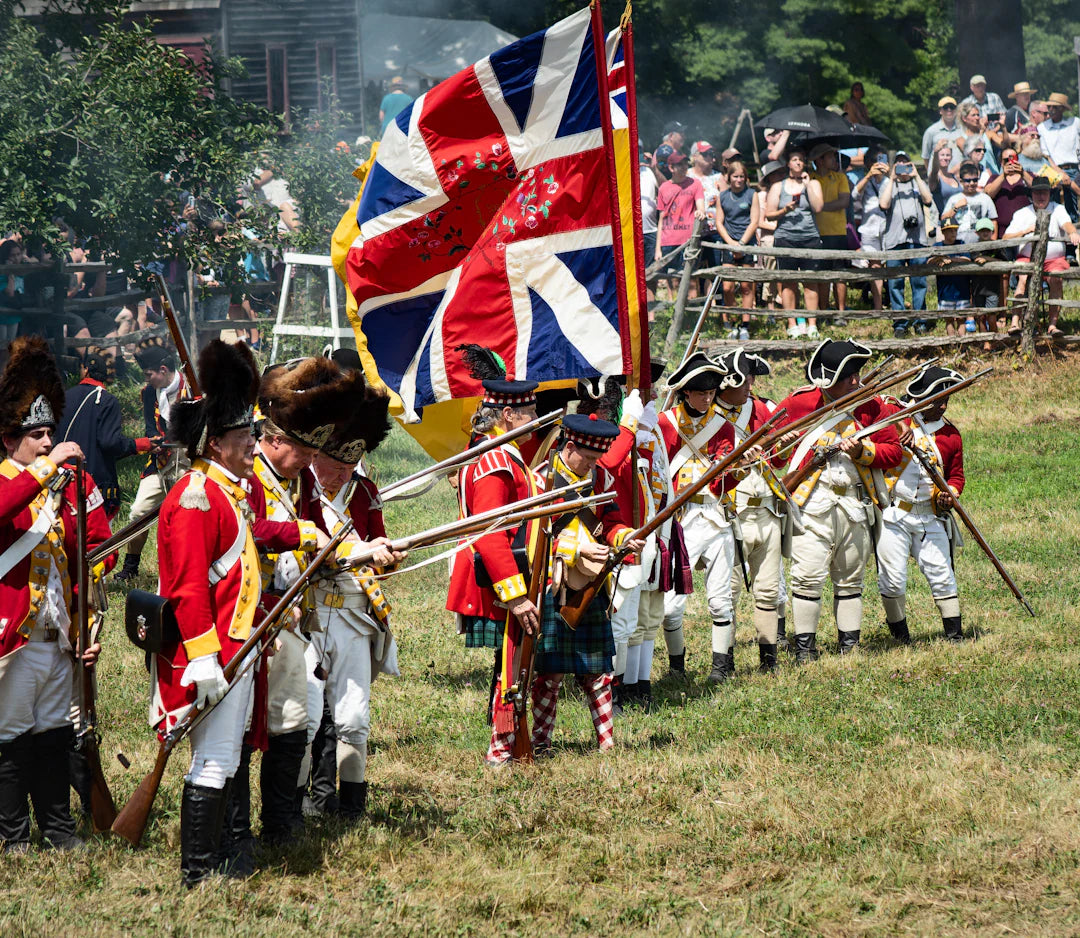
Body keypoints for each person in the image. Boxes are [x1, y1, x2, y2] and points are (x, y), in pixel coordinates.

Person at [148, 340, 263, 886]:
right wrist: (203, 657)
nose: (255, 448)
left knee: (227, 757)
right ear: (215, 444)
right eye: (246, 439)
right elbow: (189, 587)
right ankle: (197, 870)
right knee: (213, 760)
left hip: (233, 646)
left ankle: (215, 857)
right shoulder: (197, 496)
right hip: (209, 653)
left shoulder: (224, 493)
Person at [0, 337, 113, 853]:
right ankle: (13, 835)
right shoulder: (11, 483)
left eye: (49, 434)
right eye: (35, 436)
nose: (46, 443)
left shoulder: (62, 488)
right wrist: (47, 472)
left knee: (51, 735)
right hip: (15, 639)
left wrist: (86, 623)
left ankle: (59, 830)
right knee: (11, 737)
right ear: (9, 440)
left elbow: (93, 553)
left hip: (57, 636)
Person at [250, 359, 354, 847]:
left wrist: (366, 550)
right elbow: (245, 533)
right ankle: (233, 831)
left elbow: (328, 533)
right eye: (302, 448)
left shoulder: (300, 478)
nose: (311, 459)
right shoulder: (246, 475)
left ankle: (282, 822)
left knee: (295, 719)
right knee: (237, 734)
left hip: (288, 620)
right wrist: (301, 535)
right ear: (273, 440)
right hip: (246, 619)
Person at [308, 375, 403, 818]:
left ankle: (351, 805)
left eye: (351, 465)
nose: (344, 473)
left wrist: (386, 557)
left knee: (353, 718)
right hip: (305, 613)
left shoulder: (363, 491)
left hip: (353, 614)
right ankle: (298, 804)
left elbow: (378, 545)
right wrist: (357, 550)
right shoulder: (300, 490)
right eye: (336, 464)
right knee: (303, 718)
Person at [445, 345, 543, 766]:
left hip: (512, 571)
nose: (536, 420)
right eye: (530, 412)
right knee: (511, 662)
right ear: (509, 416)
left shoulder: (500, 455)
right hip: (501, 576)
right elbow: (489, 533)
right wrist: (517, 595)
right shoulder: (497, 462)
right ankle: (500, 750)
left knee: (515, 661)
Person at [776, 340, 902, 660]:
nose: (856, 382)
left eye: (857, 375)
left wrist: (862, 451)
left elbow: (893, 452)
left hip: (854, 503)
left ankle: (850, 646)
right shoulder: (799, 403)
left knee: (851, 578)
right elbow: (769, 449)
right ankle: (805, 649)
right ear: (831, 380)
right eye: (849, 378)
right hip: (811, 500)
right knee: (807, 576)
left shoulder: (872, 407)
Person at [530, 414, 642, 755]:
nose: (593, 465)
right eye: (589, 458)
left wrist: (624, 536)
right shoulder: (541, 481)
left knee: (599, 672)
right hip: (552, 581)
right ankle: (540, 742)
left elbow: (611, 519)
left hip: (592, 581)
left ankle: (607, 744)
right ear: (569, 447)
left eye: (597, 459)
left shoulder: (601, 477)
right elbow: (536, 533)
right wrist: (575, 548)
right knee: (549, 674)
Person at [657, 353, 746, 681]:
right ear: (685, 393)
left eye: (711, 393)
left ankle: (721, 669)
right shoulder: (665, 424)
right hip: (679, 521)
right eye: (700, 393)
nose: (707, 398)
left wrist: (739, 467)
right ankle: (676, 668)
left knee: (721, 602)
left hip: (715, 516)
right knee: (670, 607)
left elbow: (729, 481)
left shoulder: (723, 426)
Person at [878, 366, 967, 644]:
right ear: (923, 396)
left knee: (942, 574)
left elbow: (956, 476)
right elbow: (883, 404)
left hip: (930, 515)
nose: (942, 405)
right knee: (892, 579)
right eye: (937, 399)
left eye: (946, 400)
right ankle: (900, 637)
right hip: (895, 512)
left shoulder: (951, 435)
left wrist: (949, 493)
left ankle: (955, 635)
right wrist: (903, 424)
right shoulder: (897, 415)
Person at [713, 349, 787, 673]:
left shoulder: (761, 409)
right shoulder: (709, 418)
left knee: (769, 590)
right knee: (726, 592)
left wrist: (779, 443)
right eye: (746, 377)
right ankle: (724, 662)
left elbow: (782, 460)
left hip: (766, 509)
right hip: (731, 512)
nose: (752, 383)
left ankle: (768, 660)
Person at [113, 343, 192, 583]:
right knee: (138, 512)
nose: (147, 380)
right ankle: (131, 566)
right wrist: (153, 441)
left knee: (186, 517)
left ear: (163, 369)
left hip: (189, 463)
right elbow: (150, 424)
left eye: (149, 374)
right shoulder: (149, 392)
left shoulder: (192, 389)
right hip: (161, 460)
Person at [57, 353, 156, 519]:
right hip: (96, 483)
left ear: (86, 369)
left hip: (64, 478)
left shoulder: (64, 398)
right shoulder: (107, 400)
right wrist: (139, 444)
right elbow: (110, 443)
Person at [1004, 175, 1080, 337]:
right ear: (1031, 195)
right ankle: (1015, 322)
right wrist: (1025, 231)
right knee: (1023, 279)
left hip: (1054, 259)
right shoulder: (1022, 213)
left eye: (1044, 193)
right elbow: (1006, 238)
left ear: (1049, 194)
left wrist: (1072, 232)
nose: (1041, 196)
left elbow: (1066, 224)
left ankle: (1052, 325)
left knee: (1056, 279)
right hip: (1027, 257)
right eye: (1037, 193)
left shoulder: (1057, 208)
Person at [765, 148, 825, 338]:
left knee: (810, 282)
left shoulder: (813, 183)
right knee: (788, 282)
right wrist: (785, 210)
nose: (798, 163)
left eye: (801, 160)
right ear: (788, 164)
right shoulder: (778, 186)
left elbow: (818, 207)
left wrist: (807, 187)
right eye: (794, 160)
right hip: (785, 237)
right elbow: (768, 213)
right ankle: (792, 323)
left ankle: (812, 323)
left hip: (809, 237)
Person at [879, 151, 934, 336]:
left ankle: (920, 321)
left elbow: (928, 200)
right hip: (895, 241)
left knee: (919, 283)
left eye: (905, 163)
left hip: (917, 241)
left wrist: (916, 175)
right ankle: (900, 323)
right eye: (899, 164)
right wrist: (892, 177)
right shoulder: (888, 184)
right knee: (895, 284)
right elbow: (884, 205)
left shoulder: (917, 184)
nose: (903, 167)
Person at [714, 160, 761, 333]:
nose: (739, 180)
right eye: (735, 176)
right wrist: (731, 244)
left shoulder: (752, 194)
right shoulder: (723, 196)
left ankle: (745, 325)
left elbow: (754, 221)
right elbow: (719, 222)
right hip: (729, 243)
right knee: (728, 287)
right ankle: (733, 320)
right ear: (729, 177)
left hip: (747, 243)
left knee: (747, 286)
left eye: (742, 176)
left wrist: (741, 244)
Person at [655, 152, 706, 300]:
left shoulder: (695, 184)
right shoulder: (664, 188)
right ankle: (675, 317)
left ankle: (690, 318)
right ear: (671, 167)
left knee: (690, 280)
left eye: (685, 163)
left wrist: (701, 212)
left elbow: (700, 206)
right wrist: (658, 248)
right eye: (680, 164)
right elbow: (661, 220)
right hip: (668, 240)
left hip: (689, 240)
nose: (684, 167)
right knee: (673, 280)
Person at [809, 144, 851, 317]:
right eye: (830, 156)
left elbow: (844, 202)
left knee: (840, 274)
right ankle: (824, 311)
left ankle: (841, 312)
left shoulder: (840, 177)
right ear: (819, 160)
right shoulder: (810, 179)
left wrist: (820, 206)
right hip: (817, 232)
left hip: (838, 231)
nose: (834, 159)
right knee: (823, 274)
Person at [852, 149, 890, 310]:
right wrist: (869, 175)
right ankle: (878, 305)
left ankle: (894, 302)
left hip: (889, 228)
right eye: (876, 162)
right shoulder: (865, 180)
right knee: (875, 267)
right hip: (869, 229)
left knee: (892, 266)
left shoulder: (890, 181)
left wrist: (890, 175)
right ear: (869, 164)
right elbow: (853, 195)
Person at [1038, 94, 1080, 219]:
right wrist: (1060, 173)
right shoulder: (1042, 128)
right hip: (1054, 170)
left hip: (1075, 168)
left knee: (1073, 209)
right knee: (1055, 205)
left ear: (1062, 109)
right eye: (1049, 107)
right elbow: (1046, 155)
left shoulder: (1075, 123)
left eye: (1055, 107)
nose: (1051, 110)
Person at [927, 220, 973, 336]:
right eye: (950, 231)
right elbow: (928, 261)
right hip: (945, 290)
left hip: (962, 289)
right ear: (943, 232)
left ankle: (961, 343)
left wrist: (951, 260)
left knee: (961, 318)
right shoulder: (938, 246)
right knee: (948, 319)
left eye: (955, 230)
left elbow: (967, 259)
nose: (953, 233)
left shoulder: (961, 244)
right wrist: (940, 258)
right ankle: (951, 342)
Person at [940, 162, 998, 243]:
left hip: (980, 241)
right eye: (968, 180)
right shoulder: (954, 199)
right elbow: (943, 220)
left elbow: (993, 221)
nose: (971, 183)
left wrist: (993, 243)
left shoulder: (985, 198)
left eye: (975, 180)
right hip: (958, 242)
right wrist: (956, 208)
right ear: (961, 181)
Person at [957, 103, 1000, 175]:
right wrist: (981, 132)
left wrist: (1002, 126)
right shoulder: (961, 140)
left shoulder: (987, 134)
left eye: (978, 115)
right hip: (977, 177)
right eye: (973, 115)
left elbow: (1004, 144)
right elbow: (972, 153)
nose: (977, 118)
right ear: (964, 118)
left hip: (993, 176)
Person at [921, 96, 964, 165]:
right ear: (940, 111)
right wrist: (932, 173)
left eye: (952, 107)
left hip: (959, 174)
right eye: (945, 107)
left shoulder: (962, 130)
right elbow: (926, 157)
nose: (949, 109)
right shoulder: (931, 131)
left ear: (956, 110)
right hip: (937, 174)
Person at [928, 137, 963, 214]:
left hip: (958, 219)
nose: (945, 158)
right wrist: (936, 152)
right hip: (942, 221)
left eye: (947, 155)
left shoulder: (954, 176)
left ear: (951, 157)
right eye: (942, 155)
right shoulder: (935, 177)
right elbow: (934, 170)